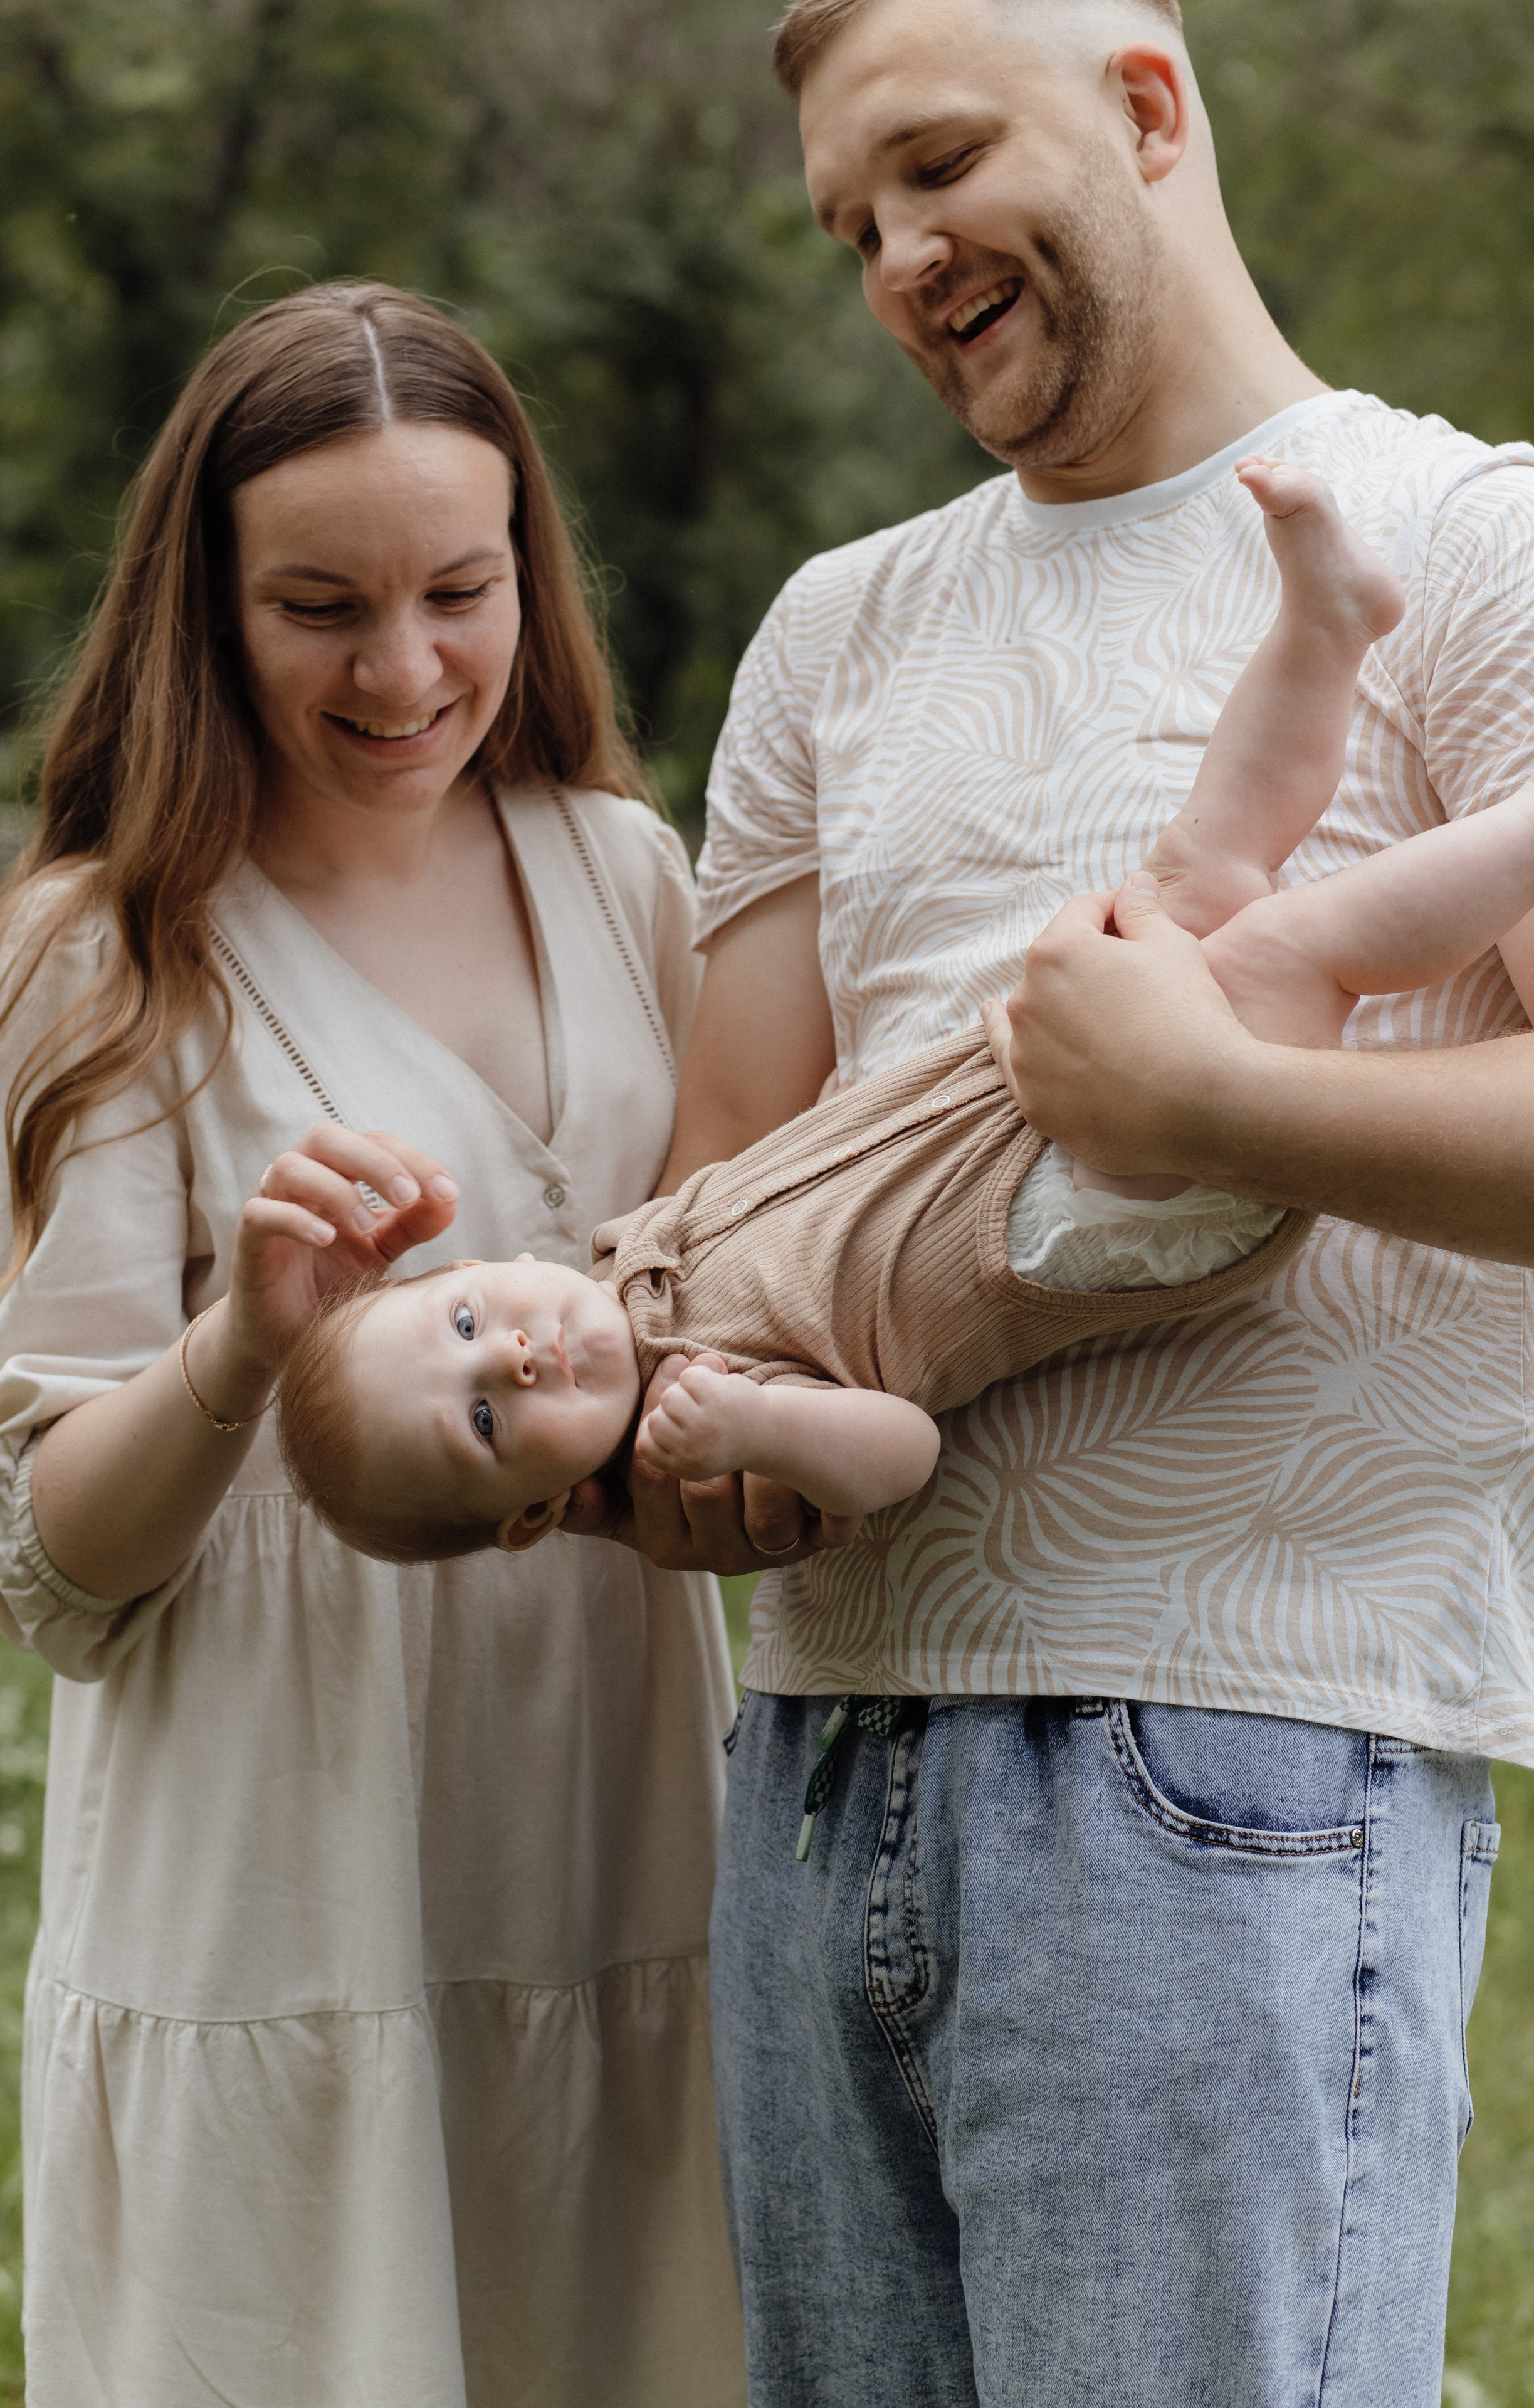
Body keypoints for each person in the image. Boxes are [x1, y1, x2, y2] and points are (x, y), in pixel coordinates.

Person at [621, 2, 1534, 2403]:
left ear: (1146, 107)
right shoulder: (837, 626)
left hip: (1231, 1769)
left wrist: (1220, 1108)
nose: (900, 258)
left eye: (936, 168)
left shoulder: (1472, 536)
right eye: (851, 223)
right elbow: (725, 1167)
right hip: (815, 1749)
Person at [0, 283, 744, 2408]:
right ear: (203, 607)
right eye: (317, 608)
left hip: (625, 1836)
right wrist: (242, 1344)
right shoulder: (102, 953)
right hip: (289, 1883)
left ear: (524, 577)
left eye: (457, 593)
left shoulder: (631, 881)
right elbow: (51, 1573)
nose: (404, 673)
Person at [278, 461, 1534, 1585]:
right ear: (531, 1513)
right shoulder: (705, 1400)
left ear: (477, 1268)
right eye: (487, 1423)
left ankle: (1324, 630)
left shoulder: (629, 1257)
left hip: (1022, 1106)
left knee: (1200, 874)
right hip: (1100, 1202)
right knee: (1285, 949)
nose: (514, 1360)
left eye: (462, 1326)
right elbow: (895, 1451)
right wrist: (751, 1431)